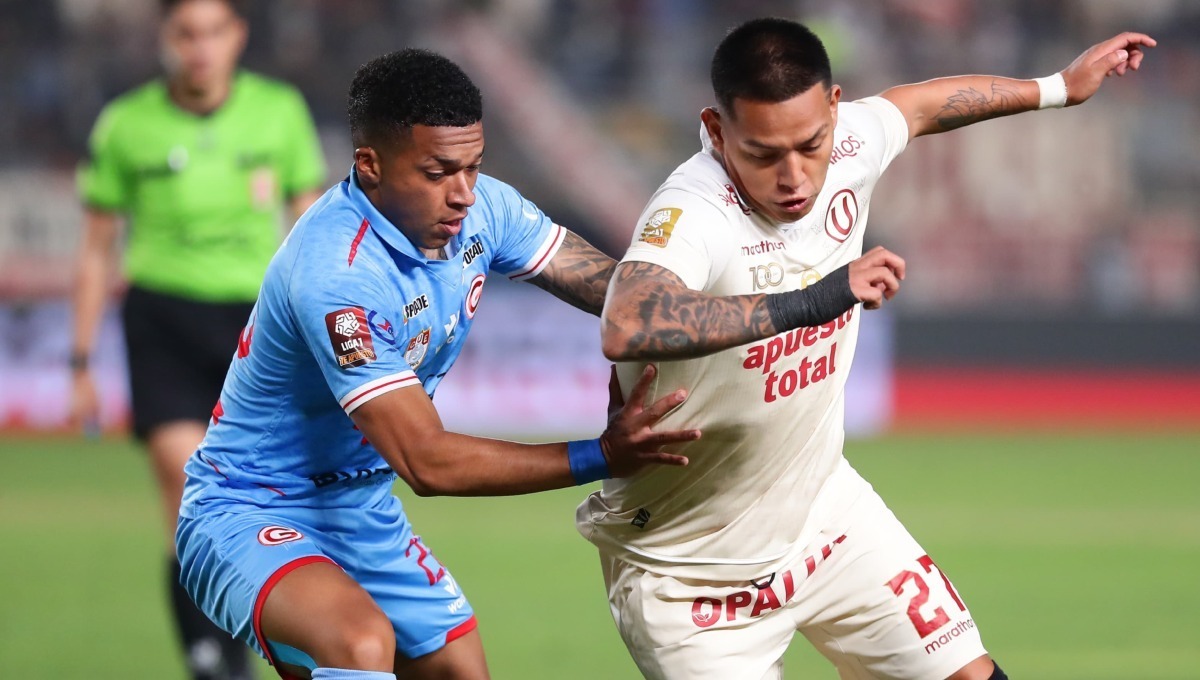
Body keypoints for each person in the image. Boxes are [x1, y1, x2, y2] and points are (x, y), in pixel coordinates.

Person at [582, 18, 1154, 680]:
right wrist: (814, 300)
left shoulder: (852, 140)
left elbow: (919, 105)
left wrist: (1057, 87)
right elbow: (625, 322)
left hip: (825, 519)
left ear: (834, 108)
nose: (794, 176)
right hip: (688, 570)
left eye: (810, 144)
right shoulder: (692, 212)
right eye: (763, 154)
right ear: (715, 130)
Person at [173, 46, 754, 680]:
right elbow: (427, 461)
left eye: (473, 168)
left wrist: (739, 318)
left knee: (459, 671)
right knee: (358, 646)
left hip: (361, 510)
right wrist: (600, 456)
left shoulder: (484, 209)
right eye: (437, 172)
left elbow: (617, 296)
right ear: (369, 164)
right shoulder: (339, 275)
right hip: (249, 510)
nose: (462, 195)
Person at [71, 1, 326, 678]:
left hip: (257, 326)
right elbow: (96, 250)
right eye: (186, 33)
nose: (200, 48)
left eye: (214, 31)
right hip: (162, 321)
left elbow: (312, 234)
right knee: (190, 496)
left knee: (273, 501)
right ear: (165, 39)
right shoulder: (126, 124)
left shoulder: (279, 112)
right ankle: (215, 662)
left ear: (237, 35)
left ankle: (278, 637)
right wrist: (79, 358)